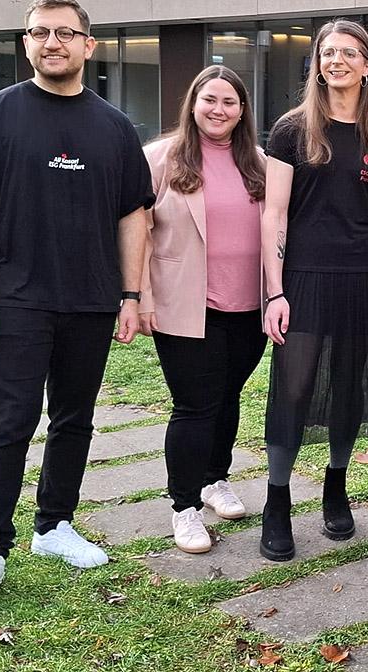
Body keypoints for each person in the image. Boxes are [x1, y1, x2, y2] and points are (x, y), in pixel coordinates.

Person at [0, 0, 153, 607]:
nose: (50, 42)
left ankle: (54, 525)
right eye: (38, 33)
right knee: (9, 423)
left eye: (62, 32)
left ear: (89, 44)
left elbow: (134, 214)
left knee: (74, 420)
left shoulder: (112, 128)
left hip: (90, 300)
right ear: (25, 43)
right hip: (17, 299)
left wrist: (130, 294)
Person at [259, 19, 368, 562]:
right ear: (317, 63)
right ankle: (277, 502)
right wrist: (274, 292)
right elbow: (274, 214)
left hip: (363, 280)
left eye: (348, 53)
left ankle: (335, 487)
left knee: (349, 385)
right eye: (327, 52)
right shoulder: (291, 130)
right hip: (302, 278)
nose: (336, 60)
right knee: (292, 390)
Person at [139, 65, 269, 554]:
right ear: (193, 103)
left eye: (229, 102)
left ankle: (216, 479)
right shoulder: (160, 159)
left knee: (229, 395)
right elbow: (135, 233)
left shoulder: (257, 162)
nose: (219, 110)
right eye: (210, 100)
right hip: (185, 303)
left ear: (242, 111)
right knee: (194, 406)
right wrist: (139, 296)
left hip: (248, 306)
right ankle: (184, 506)